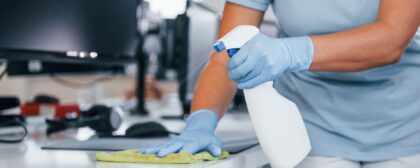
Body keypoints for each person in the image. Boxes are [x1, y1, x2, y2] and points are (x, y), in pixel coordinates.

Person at [141, 0, 420, 167]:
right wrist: (201, 121)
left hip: (403, 125)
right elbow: (226, 56)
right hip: (311, 128)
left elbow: (391, 40)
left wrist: (292, 51)